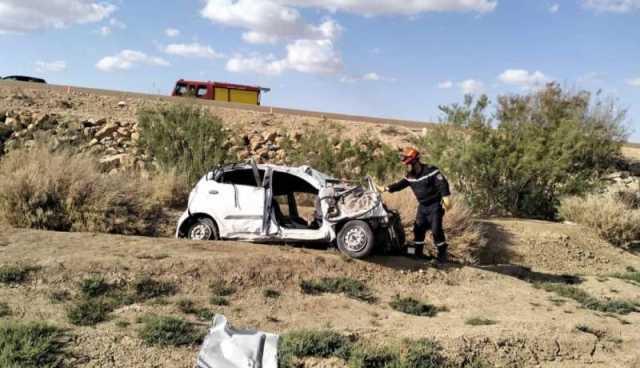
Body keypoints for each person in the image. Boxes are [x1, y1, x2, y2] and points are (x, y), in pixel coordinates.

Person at [377, 147, 452, 262]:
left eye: (410, 164)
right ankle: (418, 253)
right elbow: (400, 184)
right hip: (422, 207)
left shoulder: (431, 170)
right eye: (407, 165)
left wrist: (446, 197)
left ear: (416, 161)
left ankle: (442, 255)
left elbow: (442, 184)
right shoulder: (410, 176)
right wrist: (386, 188)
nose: (408, 167)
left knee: (436, 230)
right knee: (418, 229)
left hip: (435, 205)